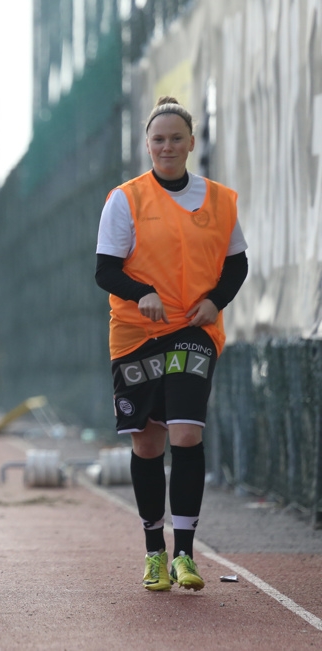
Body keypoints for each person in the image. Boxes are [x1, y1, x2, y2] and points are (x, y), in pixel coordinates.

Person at [95, 96, 248, 592]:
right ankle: (153, 551)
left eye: (175, 139)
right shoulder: (126, 198)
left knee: (186, 434)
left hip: (192, 331)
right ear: (147, 145)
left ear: (191, 144)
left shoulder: (220, 200)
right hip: (138, 332)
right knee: (148, 441)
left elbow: (237, 263)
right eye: (158, 139)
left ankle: (185, 552)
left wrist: (216, 301)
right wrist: (143, 295)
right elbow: (106, 270)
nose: (166, 147)